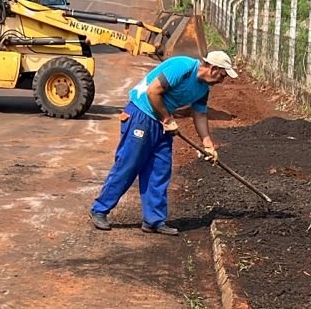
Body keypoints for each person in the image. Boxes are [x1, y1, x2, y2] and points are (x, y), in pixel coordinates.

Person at [89, 49, 238, 235]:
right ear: (213, 68)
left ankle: (154, 220)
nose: (221, 81)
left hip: (163, 123)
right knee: (129, 164)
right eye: (222, 75)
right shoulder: (182, 66)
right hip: (141, 115)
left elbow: (199, 114)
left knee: (160, 169)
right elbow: (153, 91)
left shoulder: (202, 89)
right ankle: (100, 209)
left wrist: (208, 144)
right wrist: (168, 120)